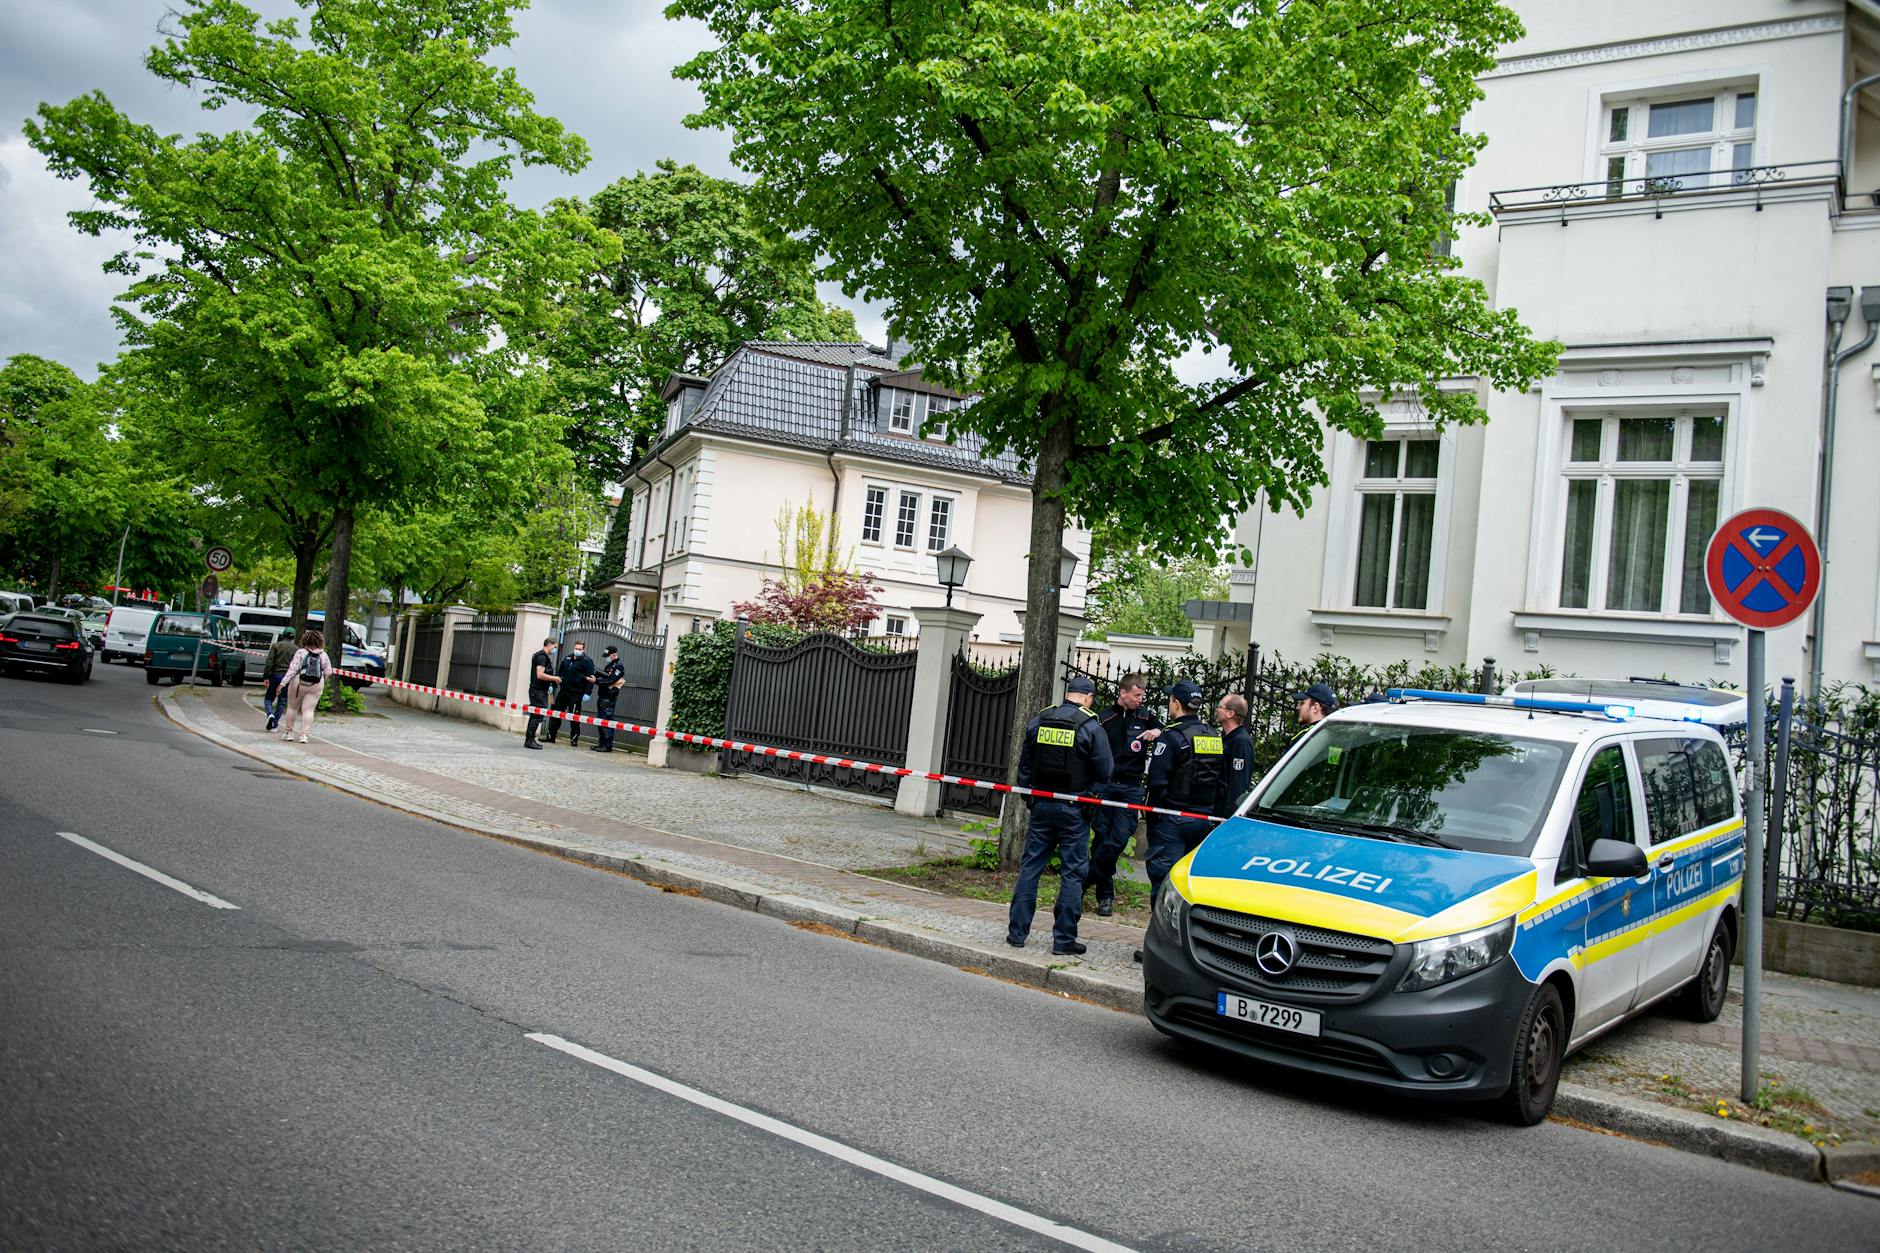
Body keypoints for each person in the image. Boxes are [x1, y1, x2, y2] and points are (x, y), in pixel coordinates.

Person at [1007, 675, 1113, 955]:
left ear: (1068, 694)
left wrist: (1030, 798)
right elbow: (1105, 771)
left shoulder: (1040, 720)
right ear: (1088, 698)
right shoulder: (1091, 726)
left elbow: (1025, 765)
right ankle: (1064, 941)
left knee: (1030, 868)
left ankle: (1016, 934)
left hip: (1041, 805)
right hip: (1075, 810)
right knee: (1072, 874)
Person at [1087, 672, 1162, 916]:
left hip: (1130, 787)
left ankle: (1084, 879)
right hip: (1106, 785)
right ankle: (1104, 897)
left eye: (1142, 695)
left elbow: (1169, 730)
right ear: (1123, 693)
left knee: (1118, 839)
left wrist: (1158, 733)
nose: (1141, 699)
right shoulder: (1105, 718)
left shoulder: (1146, 716)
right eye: (1137, 695)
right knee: (1100, 839)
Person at [1144, 679, 1224, 896]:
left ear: (1176, 703)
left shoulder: (1172, 736)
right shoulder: (1214, 735)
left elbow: (1156, 782)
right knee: (1189, 884)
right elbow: (1221, 781)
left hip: (1173, 819)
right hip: (1203, 819)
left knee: (1164, 881)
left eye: (1171, 700)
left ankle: (1162, 929)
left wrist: (1153, 817)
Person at [544, 637, 596, 746]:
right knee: (556, 714)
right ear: (574, 648)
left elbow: (591, 678)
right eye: (576, 648)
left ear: (583, 650)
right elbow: (559, 673)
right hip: (564, 691)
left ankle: (574, 739)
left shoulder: (587, 661)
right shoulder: (567, 659)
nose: (577, 650)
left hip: (576, 693)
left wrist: (587, 693)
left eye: (580, 649)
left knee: (574, 717)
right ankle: (551, 736)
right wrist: (553, 685)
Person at [279, 628, 327, 744]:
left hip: (299, 682)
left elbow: (293, 669)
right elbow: (328, 671)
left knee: (292, 707)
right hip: (316, 684)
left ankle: (289, 733)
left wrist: (282, 683)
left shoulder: (301, 652)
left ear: (305, 640)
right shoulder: (323, 654)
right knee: (309, 710)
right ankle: (304, 736)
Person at [1215, 693, 1255, 818]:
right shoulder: (1229, 739)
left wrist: (1227, 816)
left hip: (1225, 815)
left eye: (1220, 707)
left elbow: (1237, 783)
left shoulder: (1240, 742)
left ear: (1230, 713)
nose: (1217, 710)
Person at [523, 636, 560, 750]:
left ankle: (530, 739)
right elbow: (540, 674)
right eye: (554, 647)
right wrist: (554, 679)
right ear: (549, 645)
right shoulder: (542, 657)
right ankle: (530, 739)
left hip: (540, 690)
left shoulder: (541, 656)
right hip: (537, 691)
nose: (554, 649)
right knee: (537, 715)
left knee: (536, 714)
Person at [590, 645, 626, 753]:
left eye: (608, 656)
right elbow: (606, 677)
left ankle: (607, 745)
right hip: (603, 696)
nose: (606, 658)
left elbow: (611, 680)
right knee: (601, 721)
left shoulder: (618, 666)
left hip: (609, 698)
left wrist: (596, 681)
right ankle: (601, 744)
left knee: (607, 721)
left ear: (613, 655)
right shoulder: (610, 665)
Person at [262, 630, 298, 732]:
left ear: (283, 635)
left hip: (275, 675)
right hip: (287, 677)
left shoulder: (276, 646)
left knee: (268, 698)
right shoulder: (296, 649)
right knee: (282, 701)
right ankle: (275, 724)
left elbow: (270, 662)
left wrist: (266, 676)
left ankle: (270, 714)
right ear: (293, 637)